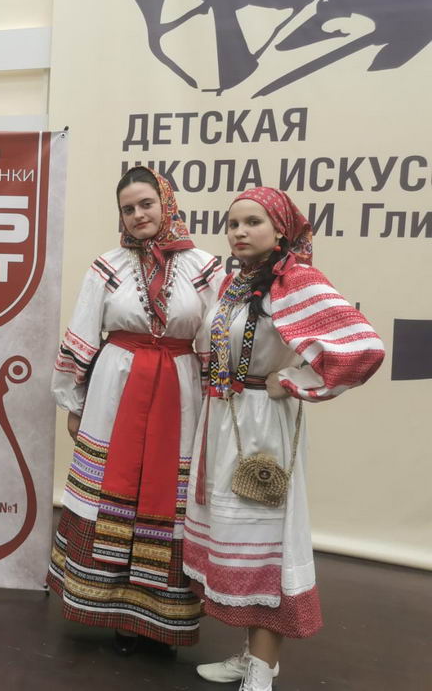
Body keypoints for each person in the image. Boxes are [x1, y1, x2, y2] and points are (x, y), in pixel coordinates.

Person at [184, 187, 384, 691]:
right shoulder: (233, 282)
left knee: (265, 545)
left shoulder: (295, 280)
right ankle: (252, 655)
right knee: (238, 542)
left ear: (280, 230)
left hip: (262, 424)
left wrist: (293, 380)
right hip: (223, 420)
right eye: (233, 224)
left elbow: (363, 349)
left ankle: (263, 670)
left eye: (252, 222)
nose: (239, 232)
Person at [49, 167, 223, 653]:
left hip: (179, 394)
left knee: (168, 495)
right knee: (114, 489)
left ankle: (160, 619)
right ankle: (116, 614)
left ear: (167, 203)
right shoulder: (108, 266)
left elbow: (214, 340)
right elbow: (85, 330)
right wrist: (74, 400)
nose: (138, 215)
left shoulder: (206, 268)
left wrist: (216, 407)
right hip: (115, 391)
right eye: (128, 209)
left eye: (146, 203)